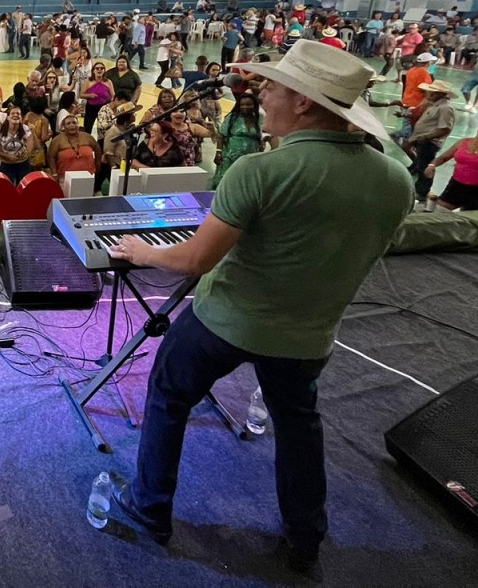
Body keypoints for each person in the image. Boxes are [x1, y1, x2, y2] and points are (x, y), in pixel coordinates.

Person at [98, 41, 413, 573]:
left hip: (225, 321)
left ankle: (150, 509)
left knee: (169, 395)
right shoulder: (397, 181)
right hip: (309, 335)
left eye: (274, 85)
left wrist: (141, 251)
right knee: (298, 425)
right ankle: (305, 539)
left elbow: (197, 259)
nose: (262, 92)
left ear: (306, 102)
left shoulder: (258, 170)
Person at [407, 81, 457, 205]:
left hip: (429, 143)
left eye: (433, 92)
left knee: (425, 168)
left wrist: (425, 137)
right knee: (421, 166)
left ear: (440, 94)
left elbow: (445, 128)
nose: (429, 94)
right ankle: (420, 190)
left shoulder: (445, 108)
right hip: (423, 141)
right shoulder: (435, 105)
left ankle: (422, 193)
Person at [210, 91, 265, 189]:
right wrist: (218, 152)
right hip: (231, 155)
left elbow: (263, 135)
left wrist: (262, 144)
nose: (245, 107)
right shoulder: (232, 118)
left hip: (250, 155)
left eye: (248, 104)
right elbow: (221, 135)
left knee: (245, 182)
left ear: (254, 105)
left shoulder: (259, 118)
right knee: (227, 180)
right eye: (242, 104)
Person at [46, 112, 99, 186]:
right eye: (68, 123)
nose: (72, 125)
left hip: (87, 177)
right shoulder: (57, 140)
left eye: (74, 123)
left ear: (78, 124)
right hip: (64, 179)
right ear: (63, 127)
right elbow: (50, 157)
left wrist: (97, 167)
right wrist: (54, 174)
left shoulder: (88, 137)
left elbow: (98, 151)